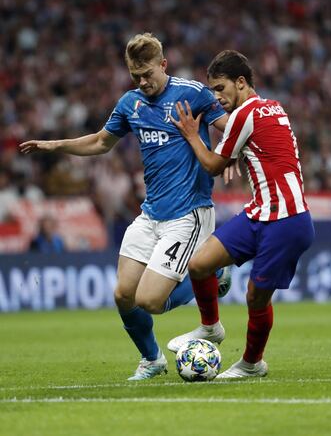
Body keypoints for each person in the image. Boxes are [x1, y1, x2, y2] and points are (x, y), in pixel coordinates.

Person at [20, 33, 231, 380]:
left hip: (188, 213)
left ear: (163, 65)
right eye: (136, 76)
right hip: (151, 214)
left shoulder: (191, 94)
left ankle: (210, 272)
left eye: (148, 73)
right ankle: (152, 359)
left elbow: (227, 125)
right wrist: (56, 144)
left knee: (150, 300)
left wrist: (230, 155)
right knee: (123, 295)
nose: (143, 82)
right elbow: (101, 142)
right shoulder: (130, 103)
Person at [168, 50, 315, 378]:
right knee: (200, 264)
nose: (217, 97)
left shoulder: (243, 115)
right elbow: (263, 146)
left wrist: (192, 135)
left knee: (255, 297)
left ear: (241, 82)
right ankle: (210, 328)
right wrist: (236, 155)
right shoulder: (273, 107)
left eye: (221, 88)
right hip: (261, 213)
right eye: (213, 91)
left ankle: (251, 364)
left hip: (286, 221)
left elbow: (212, 166)